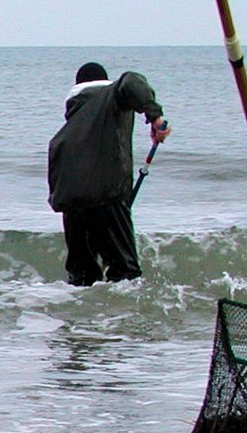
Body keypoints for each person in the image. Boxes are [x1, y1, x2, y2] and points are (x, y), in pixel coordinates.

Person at [47, 62, 170, 285]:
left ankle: (80, 317)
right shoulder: (111, 97)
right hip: (108, 196)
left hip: (71, 203)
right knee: (126, 273)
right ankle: (123, 318)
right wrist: (155, 117)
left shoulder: (64, 133)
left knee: (81, 276)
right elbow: (131, 80)